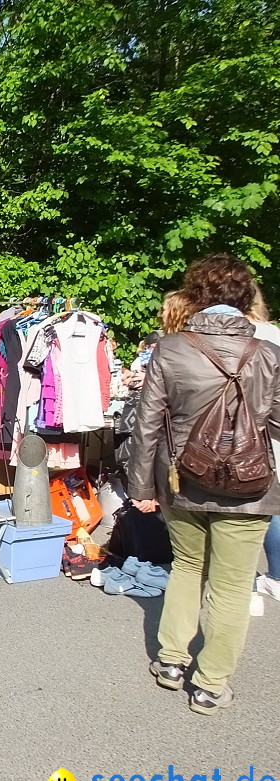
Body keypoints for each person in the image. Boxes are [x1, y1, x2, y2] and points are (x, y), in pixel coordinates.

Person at [128, 254, 280, 715]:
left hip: (182, 478)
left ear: (197, 297)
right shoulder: (270, 354)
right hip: (250, 484)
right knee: (232, 585)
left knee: (188, 567)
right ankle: (211, 684)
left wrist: (141, 488)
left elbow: (147, 425)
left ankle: (172, 661)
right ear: (244, 297)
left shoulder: (170, 349)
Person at [245, 282, 280, 602]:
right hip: (274, 428)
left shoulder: (239, 335)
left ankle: (243, 580)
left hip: (244, 432)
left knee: (247, 508)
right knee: (274, 504)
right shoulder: (276, 335)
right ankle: (277, 574)